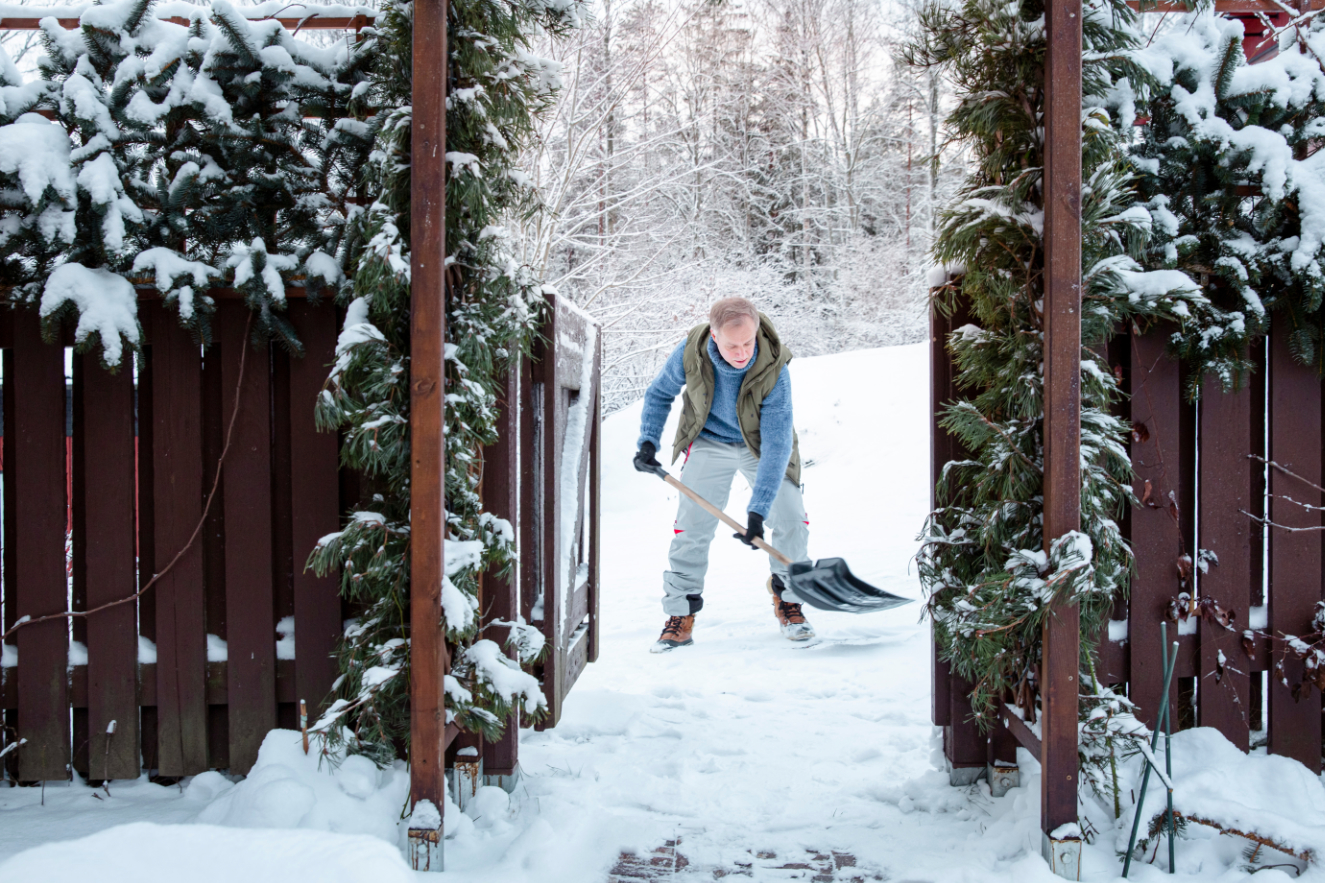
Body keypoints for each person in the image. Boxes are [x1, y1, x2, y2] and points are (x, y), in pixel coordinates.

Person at [633, 296, 813, 652]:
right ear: (714, 336)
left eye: (749, 341)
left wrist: (758, 510)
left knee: (791, 517)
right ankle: (680, 613)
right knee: (692, 528)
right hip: (709, 440)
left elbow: (777, 445)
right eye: (733, 344)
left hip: (760, 445)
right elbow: (658, 394)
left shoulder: (775, 366)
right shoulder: (691, 353)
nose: (743, 352)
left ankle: (789, 600)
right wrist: (647, 442)